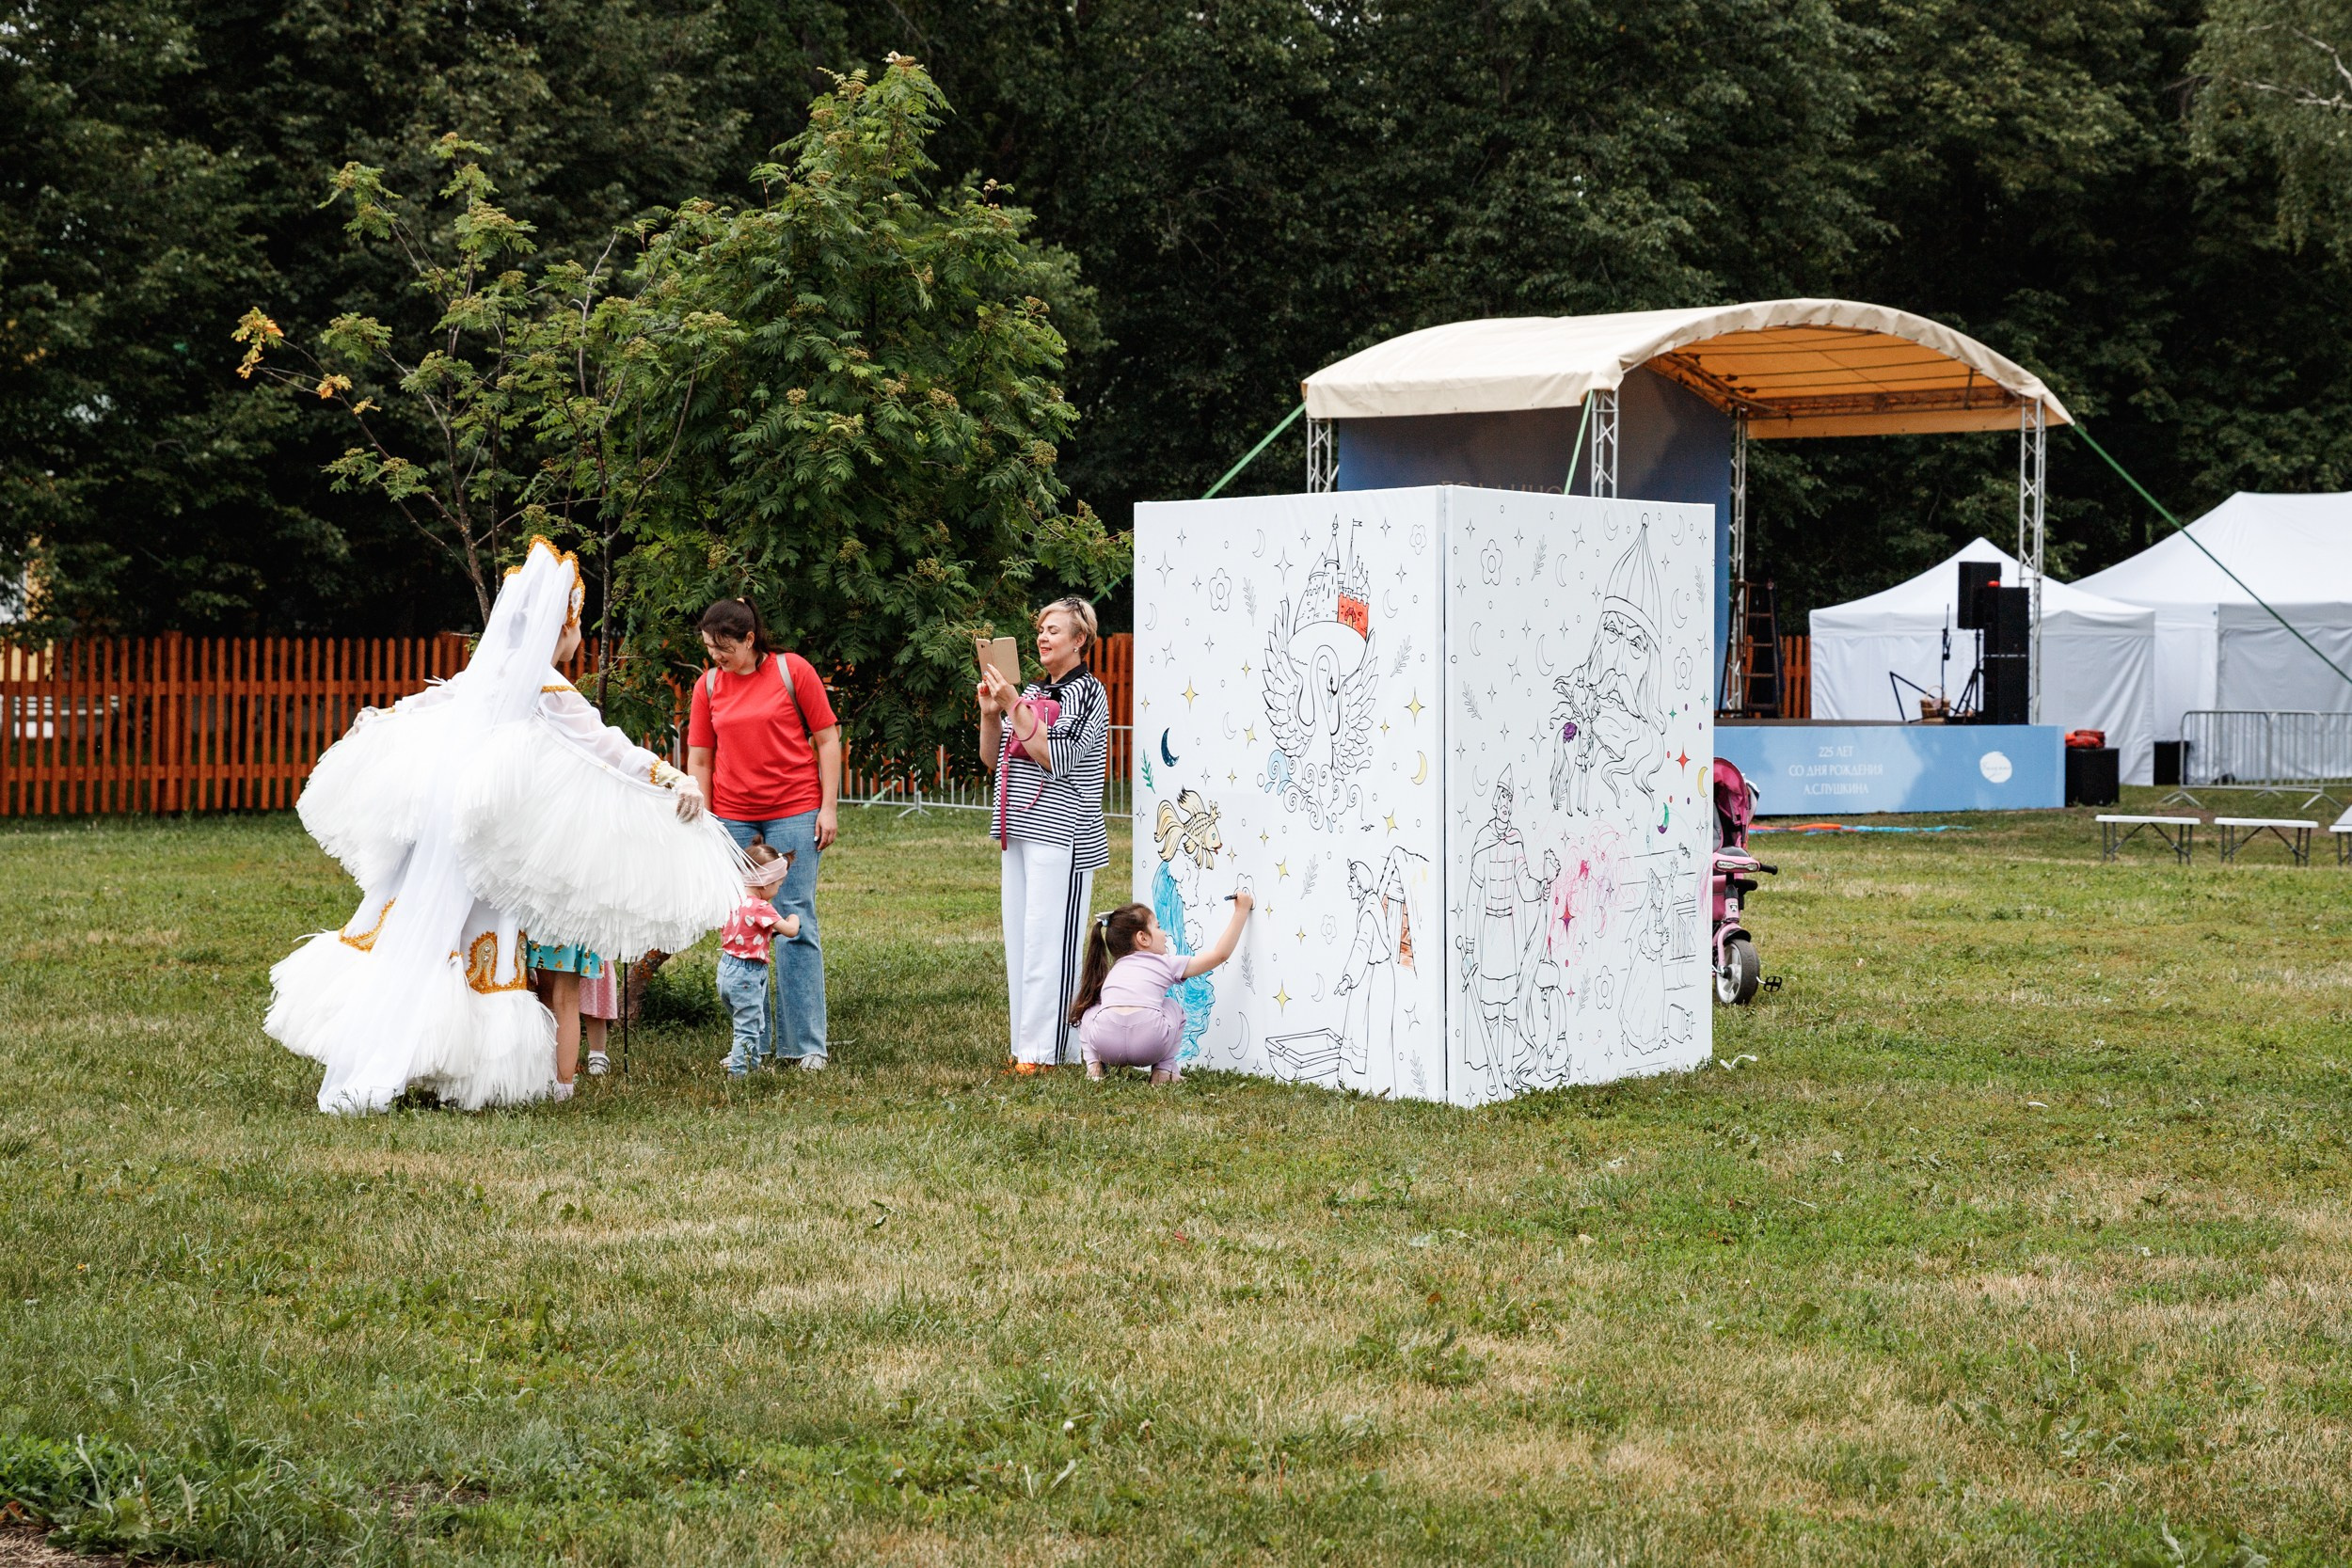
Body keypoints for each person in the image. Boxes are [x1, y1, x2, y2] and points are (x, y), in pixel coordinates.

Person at [265, 537, 743, 1112]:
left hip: (439, 844)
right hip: (487, 853)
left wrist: (380, 717)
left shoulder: (486, 677)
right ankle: (453, 1071)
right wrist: (670, 777)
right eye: (577, 625)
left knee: (421, 938)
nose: (577, 638)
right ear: (559, 625)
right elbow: (605, 748)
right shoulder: (546, 686)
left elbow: (422, 706)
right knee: (475, 951)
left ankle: (410, 1058)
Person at [687, 598, 841, 1069]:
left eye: (725, 647)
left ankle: (806, 1046)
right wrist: (706, 825)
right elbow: (699, 758)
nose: (717, 657)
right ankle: (751, 1046)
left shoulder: (793, 671)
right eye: (710, 648)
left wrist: (829, 807)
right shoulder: (708, 685)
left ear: (750, 639)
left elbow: (828, 738)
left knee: (795, 921)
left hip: (794, 810)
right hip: (733, 818)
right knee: (742, 926)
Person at [977, 596, 1111, 1072]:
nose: (1043, 636)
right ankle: (1026, 1045)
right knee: (1022, 939)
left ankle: (1048, 1052)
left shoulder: (1089, 693)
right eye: (1040, 629)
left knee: (1051, 940)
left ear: (1080, 640)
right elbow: (994, 760)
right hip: (1018, 828)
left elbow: (1058, 758)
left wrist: (1014, 704)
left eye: (1054, 629)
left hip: (1064, 832)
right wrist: (993, 713)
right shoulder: (1033, 691)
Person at [1068, 893, 1252, 1085]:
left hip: (1107, 1045)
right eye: (1158, 927)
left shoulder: (1116, 970)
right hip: (1150, 1042)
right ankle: (1162, 1071)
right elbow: (1219, 955)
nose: (1164, 933)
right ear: (1143, 938)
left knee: (1089, 1010)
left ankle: (1094, 1068)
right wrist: (1241, 911)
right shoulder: (1166, 963)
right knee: (1172, 1006)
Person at [716, 840, 798, 1078]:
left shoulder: (734, 900)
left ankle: (751, 1063)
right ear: (766, 881)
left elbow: (748, 933)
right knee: (747, 1029)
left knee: (748, 1023)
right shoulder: (761, 907)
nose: (779, 889)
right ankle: (740, 1075)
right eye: (779, 884)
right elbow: (790, 930)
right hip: (748, 975)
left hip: (726, 971)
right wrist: (794, 918)